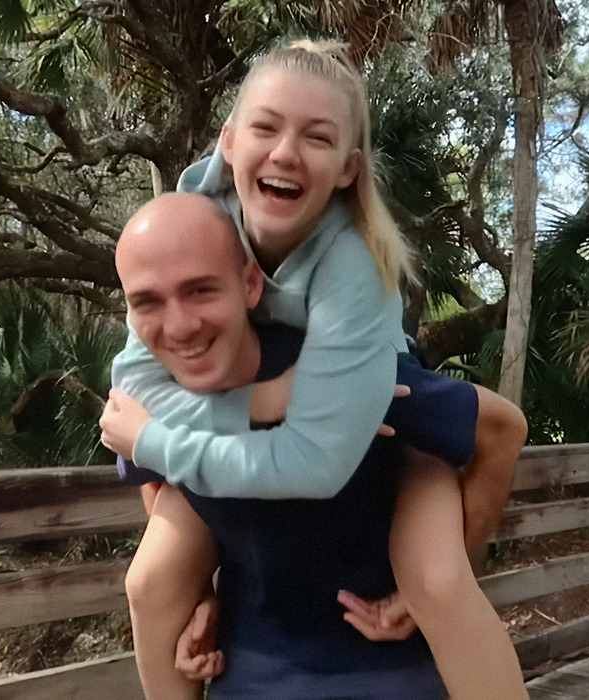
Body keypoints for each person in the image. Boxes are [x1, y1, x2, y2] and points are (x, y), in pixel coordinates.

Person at [100, 39, 528, 700]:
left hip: (370, 387)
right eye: (266, 127)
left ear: (349, 169)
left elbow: (336, 450)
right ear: (229, 142)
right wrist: (203, 578)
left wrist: (460, 555)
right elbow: (138, 387)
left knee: (439, 581)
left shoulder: (353, 261)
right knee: (151, 582)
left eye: (317, 136)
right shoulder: (196, 222)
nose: (284, 152)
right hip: (248, 385)